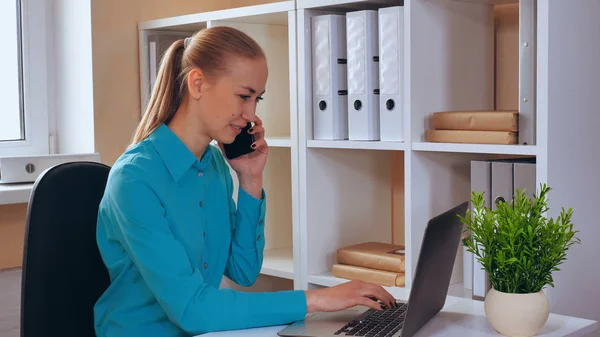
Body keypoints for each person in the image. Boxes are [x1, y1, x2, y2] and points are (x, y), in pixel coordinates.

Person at [93, 26, 396, 337]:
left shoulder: (214, 167)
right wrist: (318, 299)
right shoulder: (134, 179)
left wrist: (250, 179)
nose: (251, 114)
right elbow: (192, 310)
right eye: (243, 96)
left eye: (257, 99)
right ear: (197, 83)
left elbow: (243, 270)